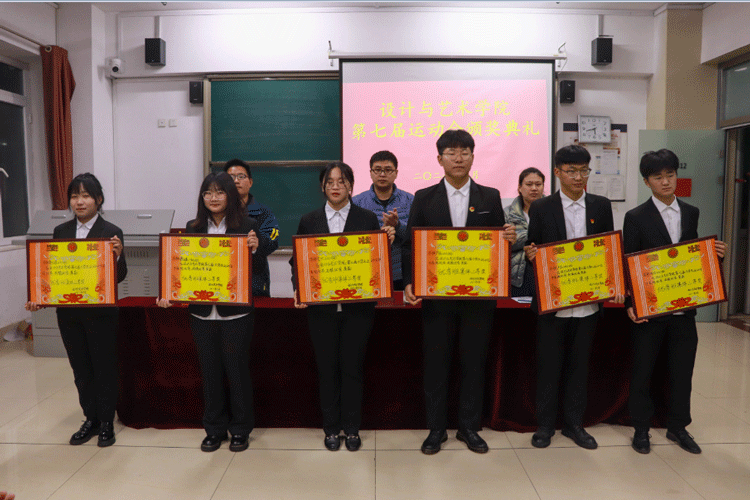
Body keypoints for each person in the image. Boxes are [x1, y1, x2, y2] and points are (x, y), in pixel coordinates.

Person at [402, 129, 516, 455]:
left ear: (473, 157)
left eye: (464, 152)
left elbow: (496, 246)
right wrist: (410, 281)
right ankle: (436, 430)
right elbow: (410, 245)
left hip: (478, 300)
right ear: (439, 159)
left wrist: (507, 240)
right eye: (451, 153)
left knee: (474, 363)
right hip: (437, 299)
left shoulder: (490, 197)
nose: (458, 158)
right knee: (436, 365)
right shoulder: (424, 197)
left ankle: (469, 428)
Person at [624, 149, 726, 455]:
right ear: (647, 182)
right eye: (658, 177)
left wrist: (713, 256)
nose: (666, 181)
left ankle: (678, 426)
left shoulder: (691, 212)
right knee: (643, 372)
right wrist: (631, 303)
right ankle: (641, 429)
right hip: (650, 310)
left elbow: (692, 256)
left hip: (683, 309)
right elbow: (630, 263)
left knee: (682, 372)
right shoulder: (636, 217)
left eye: (670, 174)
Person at [157, 172, 265, 453]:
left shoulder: (248, 226)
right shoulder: (192, 228)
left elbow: (258, 269)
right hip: (202, 314)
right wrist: (169, 291)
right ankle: (214, 429)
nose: (213, 198)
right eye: (208, 192)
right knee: (210, 373)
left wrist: (256, 248)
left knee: (237, 372)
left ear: (230, 195)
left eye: (220, 192)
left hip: (236, 314)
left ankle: (240, 429)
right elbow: (181, 268)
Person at [525, 145, 623, 450]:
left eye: (584, 170)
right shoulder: (542, 207)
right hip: (553, 304)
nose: (579, 177)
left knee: (580, 367)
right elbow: (533, 247)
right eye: (571, 171)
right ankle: (545, 426)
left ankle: (574, 424)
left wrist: (614, 281)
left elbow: (607, 250)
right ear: (558, 172)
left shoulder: (600, 206)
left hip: (588, 304)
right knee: (549, 366)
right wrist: (531, 254)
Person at [291, 162, 395, 452]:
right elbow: (296, 260)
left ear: (351, 186)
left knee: (352, 369)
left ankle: (351, 428)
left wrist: (386, 244)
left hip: (358, 309)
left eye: (342, 181)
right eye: (330, 182)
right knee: (327, 370)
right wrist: (299, 287)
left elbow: (375, 261)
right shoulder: (309, 220)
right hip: (321, 310)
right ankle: (330, 429)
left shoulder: (366, 218)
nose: (336, 186)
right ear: (322, 187)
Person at [25, 173, 127, 447]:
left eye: (85, 196)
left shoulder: (111, 231)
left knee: (103, 367)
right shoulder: (61, 232)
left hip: (101, 314)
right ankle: (90, 419)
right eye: (74, 196)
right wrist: (39, 297)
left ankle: (106, 422)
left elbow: (119, 276)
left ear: (98, 199)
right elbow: (53, 273)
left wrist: (118, 256)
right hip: (69, 314)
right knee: (80, 368)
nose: (79, 202)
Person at [352, 151, 414, 291]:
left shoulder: (410, 200)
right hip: (368, 272)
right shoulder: (356, 202)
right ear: (371, 172)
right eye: (378, 170)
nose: (382, 174)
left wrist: (397, 226)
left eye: (388, 170)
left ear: (396, 173)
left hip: (401, 274)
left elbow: (416, 238)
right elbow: (352, 239)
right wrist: (378, 236)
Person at [224, 158, 280, 297]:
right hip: (223, 278)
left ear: (250, 182)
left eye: (241, 176)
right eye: (231, 177)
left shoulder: (263, 212)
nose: (236, 181)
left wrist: (256, 244)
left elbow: (273, 240)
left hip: (255, 280)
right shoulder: (218, 212)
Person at [505, 167, 545, 297]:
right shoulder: (507, 213)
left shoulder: (552, 210)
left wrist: (518, 238)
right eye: (529, 184)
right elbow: (503, 244)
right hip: (516, 277)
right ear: (519, 188)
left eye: (538, 184)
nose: (534, 188)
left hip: (546, 272)